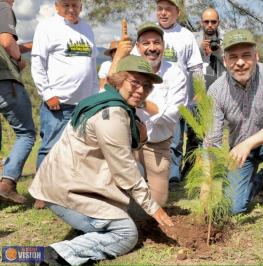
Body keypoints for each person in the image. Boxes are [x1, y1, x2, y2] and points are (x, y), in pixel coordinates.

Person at [29, 55, 174, 265]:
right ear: (119, 79)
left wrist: (140, 139)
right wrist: (155, 209)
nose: (141, 90)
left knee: (137, 175)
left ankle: (94, 225)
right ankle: (52, 255)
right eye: (134, 82)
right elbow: (124, 168)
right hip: (66, 191)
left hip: (77, 180)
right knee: (126, 234)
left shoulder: (107, 98)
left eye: (146, 85)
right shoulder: (112, 113)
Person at [204, 29, 263, 233]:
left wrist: (248, 143)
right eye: (233, 57)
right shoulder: (216, 91)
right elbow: (212, 139)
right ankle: (261, 180)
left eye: (246, 55)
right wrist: (207, 183)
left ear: (256, 56)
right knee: (234, 207)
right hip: (240, 150)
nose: (240, 62)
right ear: (225, 61)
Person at [31, 0, 99, 170]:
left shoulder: (87, 29)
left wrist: (94, 99)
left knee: (78, 151)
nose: (71, 9)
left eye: (75, 5)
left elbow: (91, 66)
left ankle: (67, 192)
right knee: (50, 149)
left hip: (84, 105)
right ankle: (42, 195)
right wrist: (47, 94)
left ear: (81, 6)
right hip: (58, 104)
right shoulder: (47, 27)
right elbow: (38, 63)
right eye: (65, 5)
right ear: (56, 6)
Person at [133, 22, 186, 206]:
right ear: (138, 46)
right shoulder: (129, 69)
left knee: (158, 202)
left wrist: (140, 101)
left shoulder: (175, 74)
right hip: (130, 143)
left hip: (158, 145)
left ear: (163, 46)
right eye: (146, 43)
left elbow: (173, 114)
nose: (152, 48)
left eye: (156, 43)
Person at [155, 0, 203, 183]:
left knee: (174, 142)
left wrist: (199, 91)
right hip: (153, 97)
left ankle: (173, 178)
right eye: (160, 9)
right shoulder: (149, 33)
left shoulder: (185, 36)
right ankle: (155, 176)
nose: (163, 13)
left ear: (178, 13)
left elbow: (196, 67)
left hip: (179, 99)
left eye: (168, 9)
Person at [182, 7, 226, 178]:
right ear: (201, 22)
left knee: (215, 134)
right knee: (194, 133)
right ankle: (189, 167)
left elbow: (232, 63)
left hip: (218, 93)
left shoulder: (226, 39)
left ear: (218, 23)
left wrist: (219, 51)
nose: (209, 25)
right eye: (206, 21)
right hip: (197, 94)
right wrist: (199, 49)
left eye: (213, 22)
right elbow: (184, 64)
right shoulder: (192, 39)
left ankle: (215, 169)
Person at [0, 0, 36, 204]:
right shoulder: (3, 7)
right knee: (26, 133)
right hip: (5, 83)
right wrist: (19, 60)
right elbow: (6, 42)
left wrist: (28, 46)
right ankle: (7, 183)